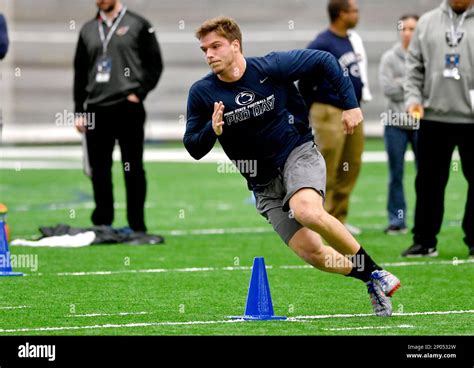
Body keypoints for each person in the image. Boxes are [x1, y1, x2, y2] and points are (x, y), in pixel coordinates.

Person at [184, 16, 400, 316]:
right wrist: (212, 130)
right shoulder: (202, 93)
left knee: (306, 210)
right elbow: (193, 147)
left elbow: (325, 61)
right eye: (204, 49)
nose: (209, 54)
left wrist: (350, 105)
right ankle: (368, 279)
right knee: (314, 254)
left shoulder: (271, 67)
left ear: (235, 45)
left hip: (296, 153)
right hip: (263, 184)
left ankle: (375, 270)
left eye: (216, 46)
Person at [73, 0, 163, 233]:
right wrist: (79, 111)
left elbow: (155, 64)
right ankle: (103, 222)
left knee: (132, 167)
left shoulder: (139, 24)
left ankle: (137, 224)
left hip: (127, 107)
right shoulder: (87, 29)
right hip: (95, 108)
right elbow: (80, 73)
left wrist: (140, 92)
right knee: (99, 169)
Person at [403, 0, 474, 258]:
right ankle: (424, 241)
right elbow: (413, 68)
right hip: (433, 117)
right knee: (429, 182)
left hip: (471, 120)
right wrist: (413, 100)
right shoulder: (427, 22)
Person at [298, 0, 372, 236]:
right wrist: (313, 106)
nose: (357, 15)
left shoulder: (350, 39)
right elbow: (304, 78)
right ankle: (317, 221)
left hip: (353, 110)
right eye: (354, 11)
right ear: (341, 14)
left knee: (351, 165)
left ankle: (338, 218)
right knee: (326, 166)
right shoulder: (322, 42)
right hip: (329, 110)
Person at [378, 15, 419, 235]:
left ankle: (425, 221)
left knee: (426, 175)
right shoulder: (389, 57)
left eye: (412, 28)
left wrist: (401, 82)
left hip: (422, 123)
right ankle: (397, 219)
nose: (407, 33)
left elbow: (432, 86)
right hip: (395, 123)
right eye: (404, 28)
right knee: (396, 174)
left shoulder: (427, 56)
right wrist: (414, 83)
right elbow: (388, 89)